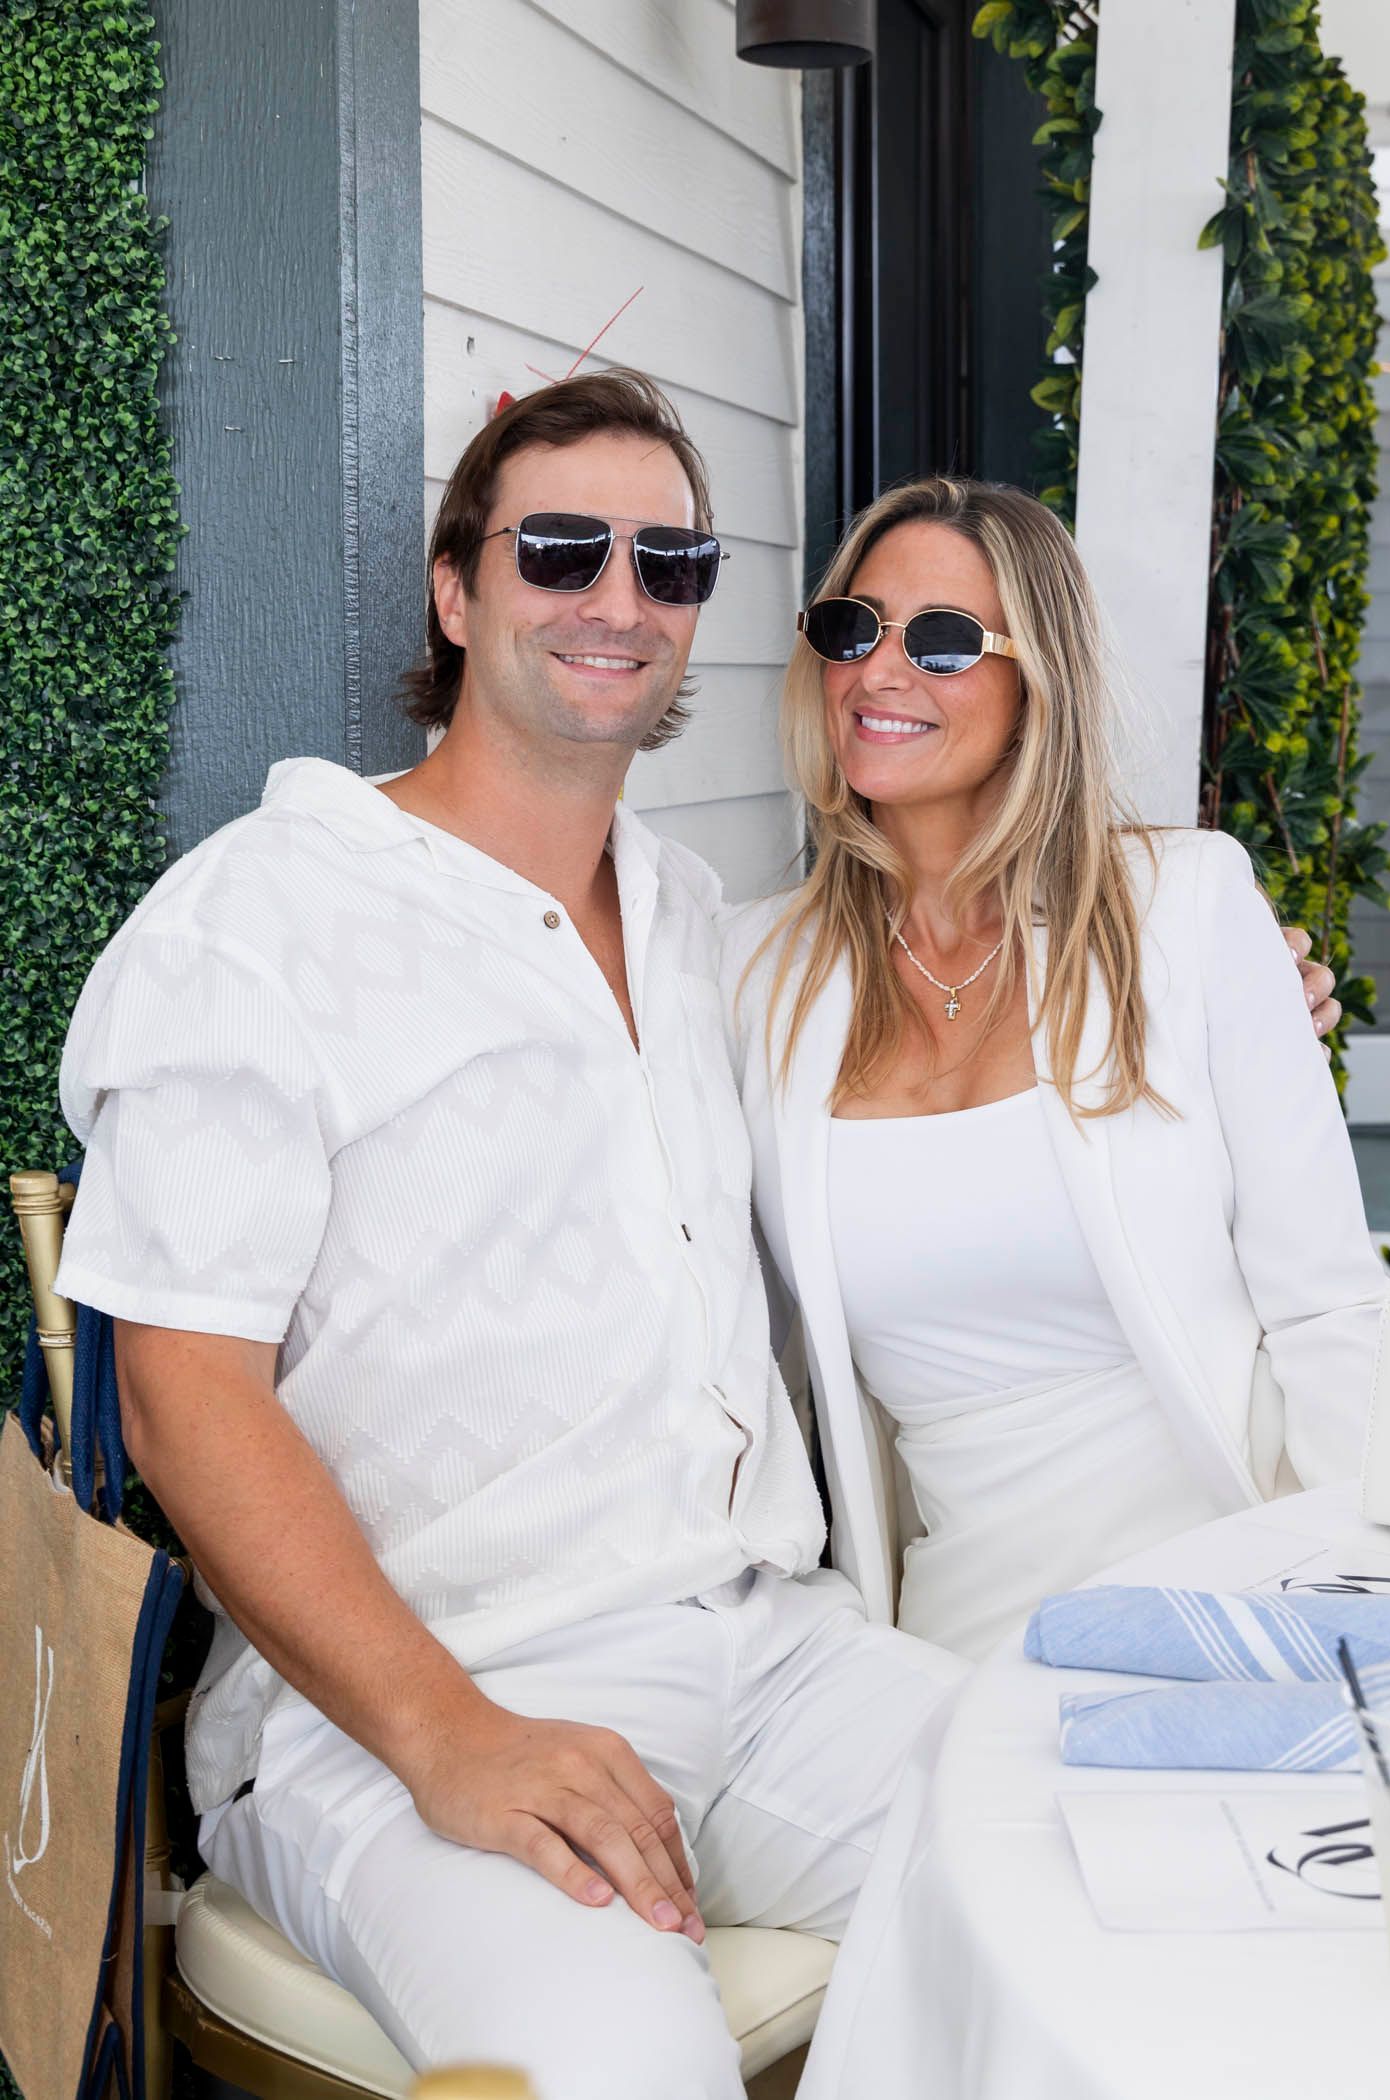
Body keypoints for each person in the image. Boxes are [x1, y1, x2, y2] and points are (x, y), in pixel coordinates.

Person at [52, 371, 969, 2100]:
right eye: (560, 550)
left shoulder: (695, 920)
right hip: (411, 1704)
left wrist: (1204, 972)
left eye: (669, 563)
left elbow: (960, 990)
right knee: (623, 2072)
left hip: (773, 1650)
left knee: (1119, 1869)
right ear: (456, 591)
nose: (619, 599)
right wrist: (447, 1732)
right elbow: (184, 1399)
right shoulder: (263, 918)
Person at [720, 474, 1389, 1666]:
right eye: (851, 629)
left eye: (939, 640)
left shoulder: (1181, 908)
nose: (878, 672)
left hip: (1243, 1578)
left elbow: (1327, 1302)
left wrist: (1361, 1599)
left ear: (1036, 684)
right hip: (953, 1637)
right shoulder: (754, 975)